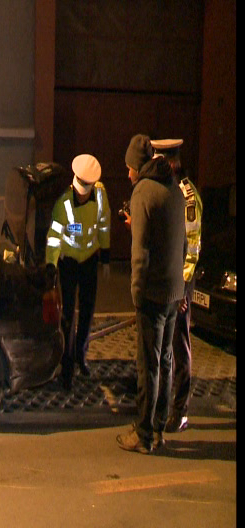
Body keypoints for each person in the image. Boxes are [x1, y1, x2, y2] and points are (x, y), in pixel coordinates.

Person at [116, 134, 186, 454]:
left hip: (153, 293)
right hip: (173, 291)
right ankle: (158, 428)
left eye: (129, 166)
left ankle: (143, 435)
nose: (127, 171)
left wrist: (136, 292)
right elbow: (180, 241)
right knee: (166, 360)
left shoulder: (143, 191)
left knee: (148, 365)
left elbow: (141, 252)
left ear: (137, 165)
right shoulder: (174, 189)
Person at [150, 139, 203, 434]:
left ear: (170, 163)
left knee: (180, 345)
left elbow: (192, 247)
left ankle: (180, 410)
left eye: (158, 162)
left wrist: (183, 288)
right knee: (164, 345)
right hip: (167, 279)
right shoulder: (168, 190)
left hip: (180, 282)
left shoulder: (187, 196)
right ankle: (162, 403)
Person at [46, 154, 111, 391]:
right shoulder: (63, 204)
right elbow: (54, 237)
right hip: (69, 263)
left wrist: (106, 256)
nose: (82, 194)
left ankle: (81, 355)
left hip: (90, 261)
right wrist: (51, 264)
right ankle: (67, 366)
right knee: (67, 316)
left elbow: (104, 224)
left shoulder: (100, 194)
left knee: (87, 311)